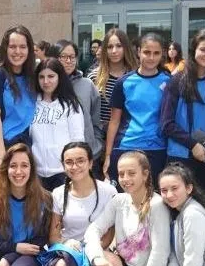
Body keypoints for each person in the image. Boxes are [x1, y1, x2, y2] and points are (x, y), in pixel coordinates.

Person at [85, 151, 174, 266]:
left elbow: (160, 252)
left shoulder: (156, 205)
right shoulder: (119, 201)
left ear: (145, 174)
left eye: (131, 173)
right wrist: (97, 257)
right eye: (121, 174)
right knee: (104, 256)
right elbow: (93, 230)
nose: (125, 179)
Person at [30, 142, 116, 266]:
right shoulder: (59, 193)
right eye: (69, 162)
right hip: (66, 251)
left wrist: (89, 252)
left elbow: (109, 235)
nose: (74, 166)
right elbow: (53, 236)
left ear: (91, 163)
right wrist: (68, 244)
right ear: (63, 166)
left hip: (95, 253)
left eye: (80, 161)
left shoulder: (108, 192)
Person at [161, 31, 205, 245]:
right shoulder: (177, 81)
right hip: (182, 156)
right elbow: (166, 124)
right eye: (203, 49)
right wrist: (193, 145)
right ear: (193, 50)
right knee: (179, 213)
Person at [103, 33, 170, 185]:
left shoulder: (169, 82)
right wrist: (108, 155)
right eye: (147, 52)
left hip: (157, 148)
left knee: (153, 200)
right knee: (126, 199)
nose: (151, 57)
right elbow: (114, 121)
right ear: (138, 51)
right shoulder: (124, 82)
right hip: (127, 146)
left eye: (156, 53)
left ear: (162, 54)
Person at [0, 25, 37, 174]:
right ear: (5, 48)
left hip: (29, 147)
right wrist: (2, 156)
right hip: (6, 146)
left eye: (22, 47)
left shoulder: (33, 75)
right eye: (12, 46)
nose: (17, 52)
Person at [89, 28, 138, 178]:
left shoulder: (135, 76)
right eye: (110, 47)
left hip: (125, 136)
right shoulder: (94, 76)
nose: (114, 51)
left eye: (118, 46)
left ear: (126, 48)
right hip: (98, 137)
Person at [31, 58, 85, 190]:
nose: (46, 81)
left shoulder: (70, 105)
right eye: (41, 77)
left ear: (59, 77)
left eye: (51, 76)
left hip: (62, 173)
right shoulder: (32, 103)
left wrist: (75, 168)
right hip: (36, 174)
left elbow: (77, 139)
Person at [54, 40, 103, 164]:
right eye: (63, 57)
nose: (69, 61)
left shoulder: (87, 85)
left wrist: (95, 145)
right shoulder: (46, 85)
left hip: (86, 155)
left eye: (72, 57)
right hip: (55, 159)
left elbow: (96, 120)